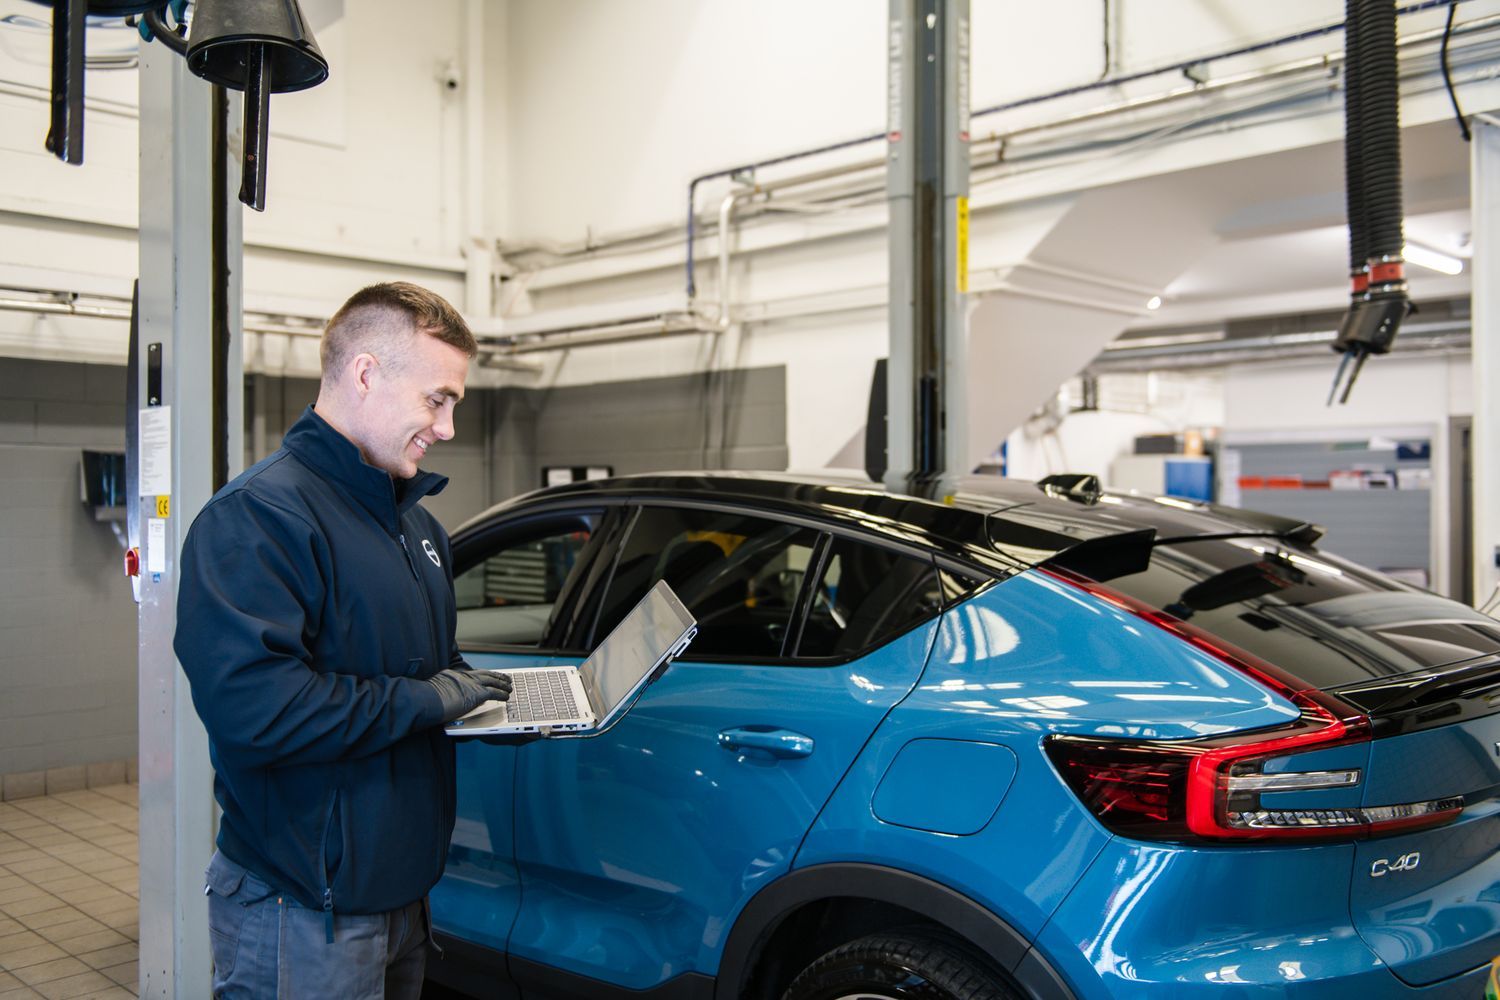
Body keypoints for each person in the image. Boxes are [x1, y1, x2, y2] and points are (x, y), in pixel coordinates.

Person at [174, 281, 513, 998]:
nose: (447, 427)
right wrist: (429, 701)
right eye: (438, 399)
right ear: (365, 374)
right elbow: (256, 712)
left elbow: (429, 667)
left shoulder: (414, 524)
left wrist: (487, 707)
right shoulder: (257, 518)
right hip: (301, 909)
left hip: (404, 896)